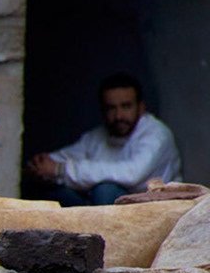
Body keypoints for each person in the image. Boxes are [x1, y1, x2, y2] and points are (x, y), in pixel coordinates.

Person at [27, 73, 183, 206]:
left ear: (141, 108)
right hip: (101, 208)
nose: (118, 116)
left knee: (105, 190)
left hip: (150, 210)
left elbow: (131, 174)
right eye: (111, 108)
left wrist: (61, 170)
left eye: (126, 106)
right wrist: (39, 165)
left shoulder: (157, 134)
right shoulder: (97, 136)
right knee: (49, 190)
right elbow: (64, 157)